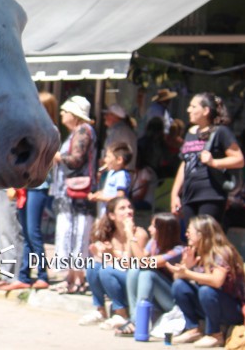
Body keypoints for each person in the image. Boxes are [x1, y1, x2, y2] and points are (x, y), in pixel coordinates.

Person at [169, 214, 245, 347]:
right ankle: (193, 329)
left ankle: (215, 334)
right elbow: (177, 279)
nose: (186, 234)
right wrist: (186, 266)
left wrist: (188, 272)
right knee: (179, 285)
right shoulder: (197, 252)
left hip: (233, 308)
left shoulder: (222, 252)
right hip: (211, 304)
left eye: (189, 231)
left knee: (206, 291)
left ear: (201, 234)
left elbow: (216, 281)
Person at [170, 92, 244, 225]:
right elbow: (185, 164)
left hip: (211, 194)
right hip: (189, 195)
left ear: (205, 111)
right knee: (191, 237)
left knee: (205, 237)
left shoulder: (221, 132)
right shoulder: (190, 133)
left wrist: (213, 162)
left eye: (193, 107)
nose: (188, 110)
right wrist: (175, 194)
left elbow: (239, 160)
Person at [9, 91, 58, 291]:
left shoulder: (49, 131)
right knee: (26, 231)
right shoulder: (34, 130)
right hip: (26, 185)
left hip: (38, 185)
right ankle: (24, 275)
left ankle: (42, 274)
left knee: (33, 231)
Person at [51, 96, 98, 295]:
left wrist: (56, 156)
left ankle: (78, 278)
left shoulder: (83, 131)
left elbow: (76, 160)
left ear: (74, 114)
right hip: (70, 193)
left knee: (77, 234)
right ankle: (71, 277)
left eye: (65, 111)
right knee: (70, 234)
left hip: (78, 193)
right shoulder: (77, 132)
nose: (62, 114)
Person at [79, 197, 149, 328]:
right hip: (120, 276)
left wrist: (128, 234)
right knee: (93, 266)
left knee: (106, 271)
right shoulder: (110, 234)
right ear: (112, 215)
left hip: (135, 281)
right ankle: (100, 311)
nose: (129, 211)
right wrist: (100, 253)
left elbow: (129, 263)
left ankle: (121, 314)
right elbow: (112, 261)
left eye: (130, 207)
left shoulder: (139, 233)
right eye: (122, 208)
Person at [119, 212, 183, 336]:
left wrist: (131, 235)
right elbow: (135, 261)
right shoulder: (153, 243)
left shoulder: (178, 250)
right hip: (154, 298)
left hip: (171, 301)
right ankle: (135, 318)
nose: (149, 229)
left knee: (148, 273)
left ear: (164, 230)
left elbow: (145, 262)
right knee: (134, 270)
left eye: (153, 226)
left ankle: (138, 322)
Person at [88, 141, 132, 216]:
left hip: (113, 215)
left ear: (119, 160)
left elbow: (119, 198)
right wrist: (97, 194)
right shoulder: (111, 173)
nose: (105, 160)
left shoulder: (121, 176)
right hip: (104, 212)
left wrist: (102, 198)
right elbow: (108, 190)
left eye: (108, 157)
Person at [102, 103, 137, 170]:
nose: (105, 117)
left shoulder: (118, 132)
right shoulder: (124, 130)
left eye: (107, 114)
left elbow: (113, 155)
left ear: (115, 117)